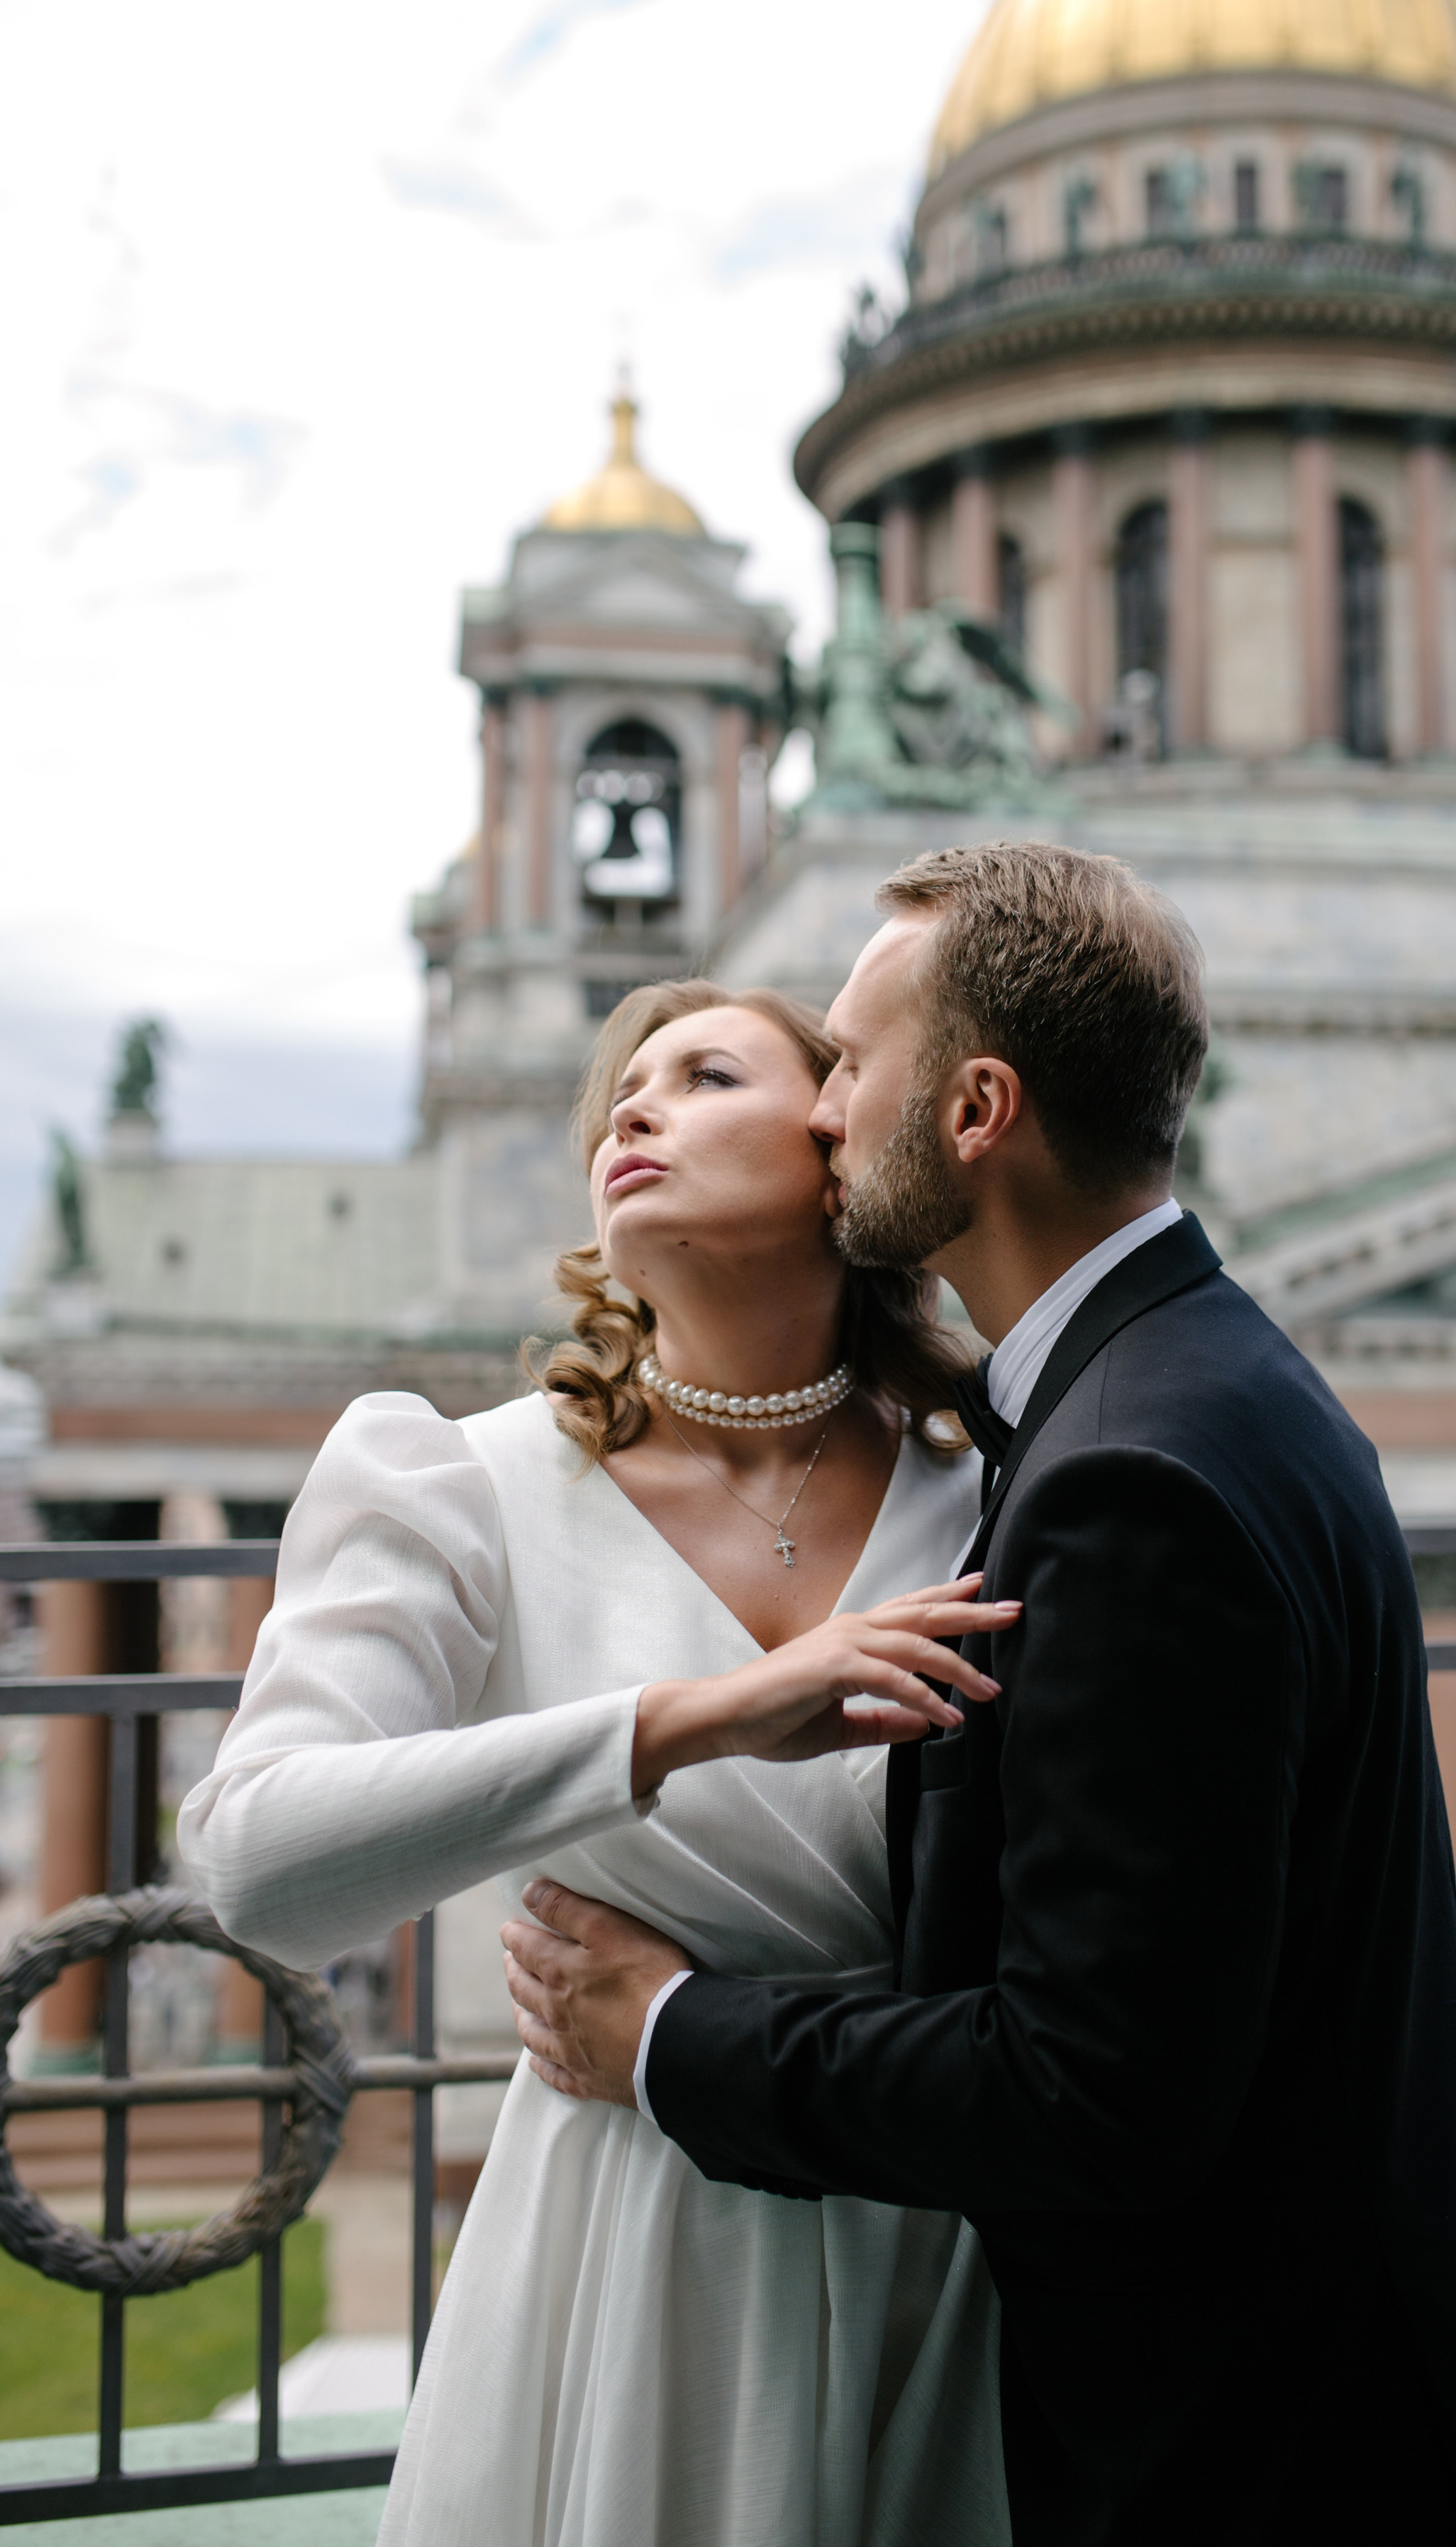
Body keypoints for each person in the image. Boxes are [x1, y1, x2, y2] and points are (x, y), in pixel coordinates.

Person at [500, 842, 1456, 2547]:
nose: (820, 1118)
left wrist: (660, 2030)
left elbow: (1094, 2093)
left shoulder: (1129, 1474)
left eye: (852, 1070)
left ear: (973, 1113)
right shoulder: (1193, 1377)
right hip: (1372, 2346)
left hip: (1272, 2436)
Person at [177, 980, 1019, 2547]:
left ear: (841, 1144)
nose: (632, 1113)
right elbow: (258, 1866)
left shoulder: (995, 1488)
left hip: (947, 2228)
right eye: (620, 1096)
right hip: (641, 2236)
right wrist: (690, 1719)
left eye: (705, 1076)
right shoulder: (452, 1479)